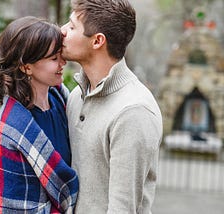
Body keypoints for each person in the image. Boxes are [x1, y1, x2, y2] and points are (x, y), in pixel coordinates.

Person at [61, 0, 163, 213]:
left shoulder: (133, 111)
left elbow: (123, 209)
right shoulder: (76, 95)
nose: (62, 31)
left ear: (97, 41)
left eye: (71, 27)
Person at [0, 16, 78, 213]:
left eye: (60, 55)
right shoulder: (14, 124)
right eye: (54, 58)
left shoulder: (61, 99)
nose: (63, 62)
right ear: (26, 66)